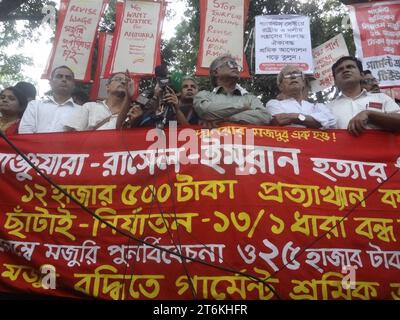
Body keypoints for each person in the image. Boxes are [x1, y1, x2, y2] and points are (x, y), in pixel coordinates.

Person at [328, 56, 400, 136]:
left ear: (361, 75)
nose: (345, 70)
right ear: (335, 81)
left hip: (382, 148)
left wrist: (369, 114)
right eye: (340, 70)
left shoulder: (382, 98)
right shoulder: (328, 108)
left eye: (350, 67)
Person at [193, 54, 271, 125]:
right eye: (230, 63)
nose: (235, 67)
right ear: (216, 72)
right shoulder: (203, 95)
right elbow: (206, 111)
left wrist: (227, 119)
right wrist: (243, 107)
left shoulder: (250, 98)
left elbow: (265, 117)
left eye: (236, 65)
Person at [266, 65, 336, 129]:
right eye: (287, 75)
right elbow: (280, 120)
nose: (293, 77)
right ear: (280, 86)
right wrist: (317, 120)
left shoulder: (317, 106)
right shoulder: (274, 104)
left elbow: (331, 122)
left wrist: (295, 117)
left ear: (303, 83)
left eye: (296, 74)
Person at [18, 65, 79, 133]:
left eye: (68, 78)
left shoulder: (81, 111)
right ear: (51, 83)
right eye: (59, 76)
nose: (64, 79)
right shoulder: (35, 105)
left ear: (74, 85)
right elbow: (25, 130)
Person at [65, 71, 133, 131]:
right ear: (107, 86)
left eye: (126, 81)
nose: (123, 82)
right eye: (118, 79)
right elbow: (75, 134)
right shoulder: (90, 107)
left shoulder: (130, 114)